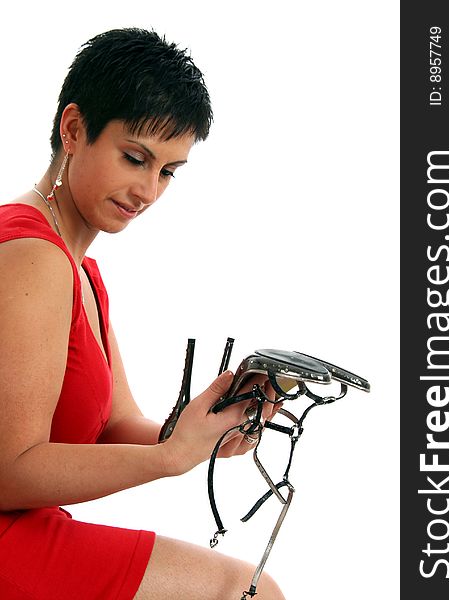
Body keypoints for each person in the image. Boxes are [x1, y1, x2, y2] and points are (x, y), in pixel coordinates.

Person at [0, 28, 285, 599]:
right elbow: (10, 470)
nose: (148, 190)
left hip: (33, 527)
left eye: (168, 172)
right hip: (11, 535)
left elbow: (112, 426)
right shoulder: (32, 257)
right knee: (242, 590)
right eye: (136, 158)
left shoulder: (80, 270)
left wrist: (205, 431)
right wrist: (171, 459)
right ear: (74, 129)